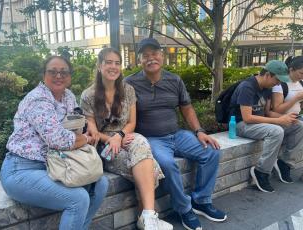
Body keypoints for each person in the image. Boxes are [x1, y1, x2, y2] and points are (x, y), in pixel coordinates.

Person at [125, 38, 227, 230]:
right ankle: (184, 209)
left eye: (154, 54)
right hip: (151, 139)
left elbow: (187, 108)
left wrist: (199, 131)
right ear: (139, 60)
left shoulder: (174, 80)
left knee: (211, 151)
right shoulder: (129, 84)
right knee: (167, 165)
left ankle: (201, 201)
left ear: (162, 57)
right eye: (145, 56)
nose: (151, 59)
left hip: (177, 135)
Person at [0, 56, 109, 230]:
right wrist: (87, 139)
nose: (58, 76)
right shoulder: (38, 100)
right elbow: (58, 140)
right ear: (44, 75)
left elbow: (74, 130)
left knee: (100, 184)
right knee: (78, 199)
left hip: (56, 165)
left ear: (70, 76)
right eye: (53, 71)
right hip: (22, 170)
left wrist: (81, 134)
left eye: (63, 72)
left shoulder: (68, 97)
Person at [80, 47, 173, 230]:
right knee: (150, 170)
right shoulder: (88, 96)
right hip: (104, 146)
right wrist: (111, 139)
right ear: (99, 66)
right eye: (108, 62)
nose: (113, 67)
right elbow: (93, 133)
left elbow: (132, 122)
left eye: (117, 63)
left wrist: (120, 135)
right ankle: (147, 217)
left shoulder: (128, 90)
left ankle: (147, 216)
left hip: (127, 137)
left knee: (140, 142)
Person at [229, 60, 303, 193]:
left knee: (299, 126)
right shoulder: (247, 87)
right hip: (241, 125)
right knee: (276, 131)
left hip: (260, 123)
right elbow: (247, 118)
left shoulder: (267, 88)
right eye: (277, 80)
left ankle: (284, 163)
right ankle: (261, 172)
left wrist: (286, 118)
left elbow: (268, 112)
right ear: (268, 74)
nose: (278, 83)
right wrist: (279, 121)